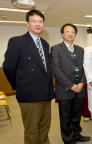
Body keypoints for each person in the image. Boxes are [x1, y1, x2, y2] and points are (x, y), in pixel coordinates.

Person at [2, 10, 55, 144]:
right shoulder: (17, 41)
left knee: (44, 128)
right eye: (34, 21)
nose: (37, 24)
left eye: (40, 21)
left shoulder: (45, 43)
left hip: (46, 93)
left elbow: (45, 68)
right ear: (27, 23)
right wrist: (20, 85)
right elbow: (8, 67)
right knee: (32, 132)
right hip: (29, 94)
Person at [50, 23, 90, 144]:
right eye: (67, 31)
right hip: (65, 89)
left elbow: (86, 68)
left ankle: (76, 135)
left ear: (75, 34)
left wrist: (82, 82)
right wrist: (71, 85)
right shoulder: (56, 49)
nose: (70, 34)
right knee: (65, 117)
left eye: (73, 32)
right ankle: (68, 140)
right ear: (62, 34)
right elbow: (56, 70)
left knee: (76, 116)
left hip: (80, 88)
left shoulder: (80, 50)